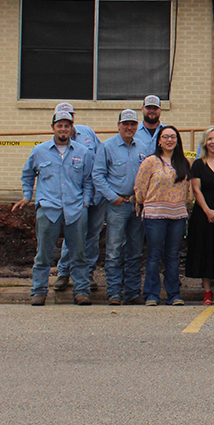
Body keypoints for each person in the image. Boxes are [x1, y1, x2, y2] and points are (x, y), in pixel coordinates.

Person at [14, 110, 95, 306]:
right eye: (60, 125)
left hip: (75, 210)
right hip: (48, 209)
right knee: (43, 253)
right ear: (53, 128)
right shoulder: (39, 151)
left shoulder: (82, 152)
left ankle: (81, 291)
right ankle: (39, 291)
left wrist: (85, 203)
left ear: (71, 128)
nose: (63, 129)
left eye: (67, 126)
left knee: (79, 254)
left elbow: (88, 181)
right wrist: (28, 196)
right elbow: (27, 175)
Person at [92, 109, 147, 305]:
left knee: (135, 251)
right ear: (118, 125)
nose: (129, 127)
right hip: (117, 205)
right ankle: (114, 292)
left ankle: (132, 292)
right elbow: (98, 175)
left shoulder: (143, 147)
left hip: (137, 205)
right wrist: (112, 197)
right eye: (126, 124)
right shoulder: (107, 146)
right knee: (114, 251)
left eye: (133, 124)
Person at [134, 125, 191, 306]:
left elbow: (188, 190)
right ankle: (151, 294)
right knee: (154, 255)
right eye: (165, 137)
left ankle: (174, 294)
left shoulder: (183, 163)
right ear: (159, 140)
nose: (169, 140)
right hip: (155, 215)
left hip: (177, 216)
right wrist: (146, 202)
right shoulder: (150, 162)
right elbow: (140, 188)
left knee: (172, 256)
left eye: (173, 137)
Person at [53, 102, 104, 293]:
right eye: (61, 119)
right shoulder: (58, 142)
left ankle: (87, 273)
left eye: (70, 117)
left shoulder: (87, 133)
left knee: (92, 235)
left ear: (73, 118)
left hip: (96, 194)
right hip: (75, 196)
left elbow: (100, 157)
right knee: (72, 235)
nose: (66, 123)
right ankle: (64, 272)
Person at [186, 126, 214, 306]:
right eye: (210, 139)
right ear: (205, 142)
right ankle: (206, 292)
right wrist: (208, 211)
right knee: (204, 251)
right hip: (202, 214)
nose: (213, 142)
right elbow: (196, 189)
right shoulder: (198, 164)